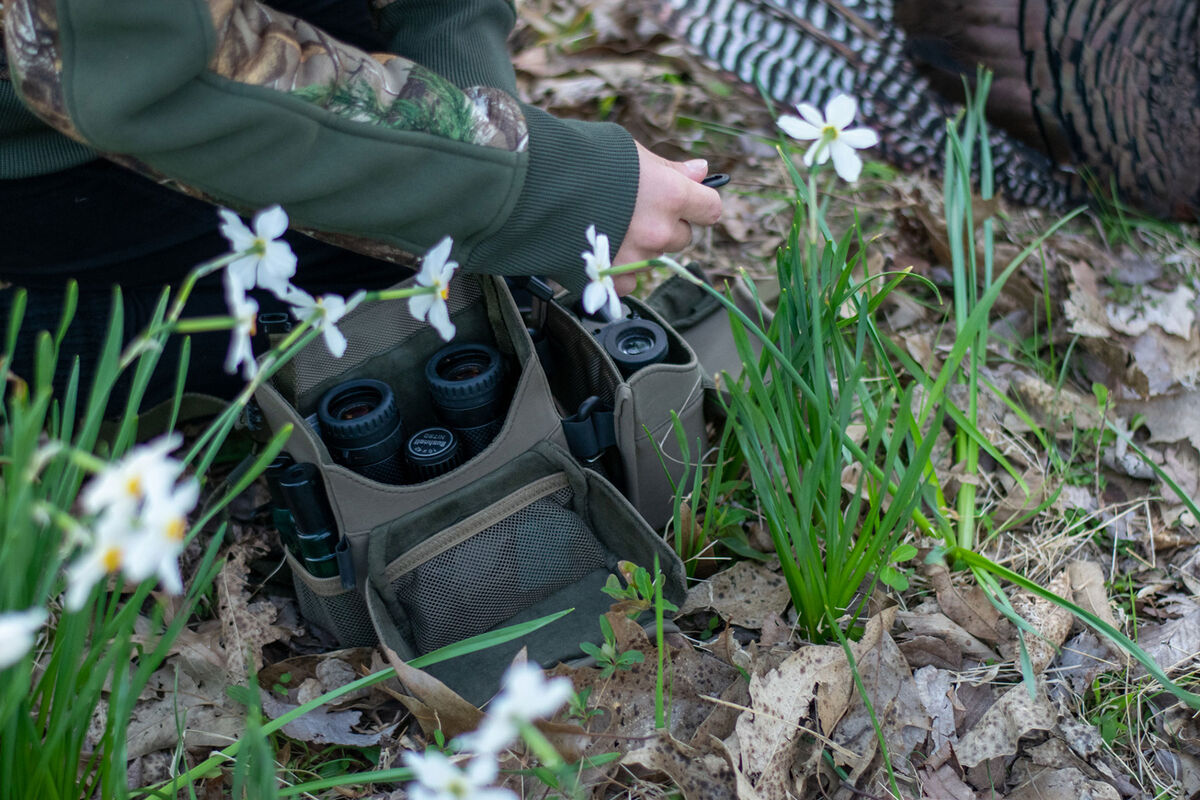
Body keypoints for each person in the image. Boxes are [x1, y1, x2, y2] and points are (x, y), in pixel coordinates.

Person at [0, 0, 721, 402]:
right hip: (61, 157)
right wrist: (536, 189)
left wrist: (478, 114)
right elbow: (146, 71)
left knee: (452, 266)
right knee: (410, 290)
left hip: (163, 72)